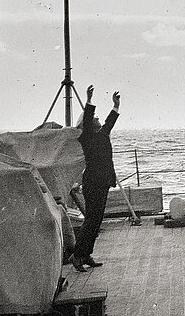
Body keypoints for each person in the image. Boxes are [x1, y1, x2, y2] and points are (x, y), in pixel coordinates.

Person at [69, 85, 120, 272]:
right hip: (92, 183)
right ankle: (76, 255)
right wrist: (88, 100)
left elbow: (109, 122)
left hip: (103, 182)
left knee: (96, 220)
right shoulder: (87, 137)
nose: (98, 120)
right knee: (91, 220)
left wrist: (116, 106)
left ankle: (86, 254)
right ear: (86, 125)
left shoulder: (102, 134)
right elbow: (89, 119)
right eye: (94, 119)